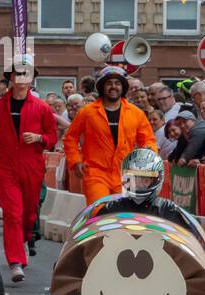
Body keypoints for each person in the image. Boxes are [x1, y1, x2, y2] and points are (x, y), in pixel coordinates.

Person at [0, 59, 57, 282]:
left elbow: (52, 138)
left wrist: (40, 137)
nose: (21, 77)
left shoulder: (42, 107)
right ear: (11, 78)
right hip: (6, 165)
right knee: (12, 213)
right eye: (17, 73)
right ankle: (15, 262)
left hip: (32, 166)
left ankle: (24, 238)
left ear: (31, 79)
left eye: (26, 73)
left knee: (29, 214)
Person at [62, 66, 157, 204]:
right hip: (96, 173)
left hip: (127, 173)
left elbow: (148, 140)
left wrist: (148, 157)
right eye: (109, 83)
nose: (113, 87)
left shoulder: (136, 113)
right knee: (100, 212)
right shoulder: (87, 112)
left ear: (123, 87)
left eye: (117, 83)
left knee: (126, 214)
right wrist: (76, 161)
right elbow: (70, 137)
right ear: (102, 87)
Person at [95, 148, 204, 233]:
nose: (139, 184)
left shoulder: (169, 210)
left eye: (146, 179)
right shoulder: (112, 208)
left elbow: (190, 240)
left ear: (156, 179)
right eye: (134, 178)